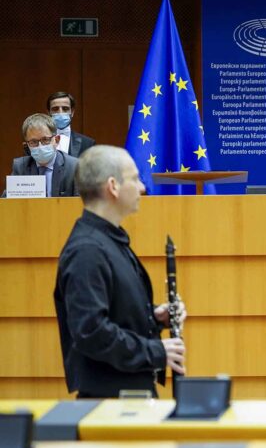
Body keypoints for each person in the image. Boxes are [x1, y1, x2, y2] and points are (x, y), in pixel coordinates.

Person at [54, 145, 186, 398]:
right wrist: (156, 351)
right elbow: (91, 331)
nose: (143, 188)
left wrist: (154, 317)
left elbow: (114, 313)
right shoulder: (87, 251)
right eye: (135, 179)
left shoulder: (109, 241)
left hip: (128, 393)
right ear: (113, 186)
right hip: (109, 401)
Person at [5, 113, 78, 197]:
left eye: (45, 140)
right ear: (27, 145)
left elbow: (81, 204)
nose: (40, 146)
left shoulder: (74, 167)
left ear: (57, 140)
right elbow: (7, 203)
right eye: (33, 142)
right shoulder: (21, 167)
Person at [47, 91, 96, 158]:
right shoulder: (38, 143)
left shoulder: (87, 143)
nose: (60, 112)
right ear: (49, 113)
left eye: (65, 109)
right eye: (55, 109)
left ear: (72, 112)